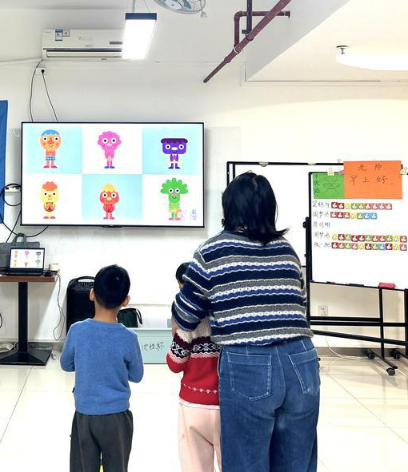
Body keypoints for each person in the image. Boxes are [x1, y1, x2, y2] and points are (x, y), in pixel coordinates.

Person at [172, 172, 319, 472]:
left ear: (228, 208)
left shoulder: (212, 251)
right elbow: (298, 306)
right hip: (302, 360)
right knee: (297, 463)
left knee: (246, 463)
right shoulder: (287, 251)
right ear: (269, 208)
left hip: (248, 361)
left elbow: (184, 314)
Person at [61, 265, 144, 472]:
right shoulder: (129, 338)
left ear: (91, 294)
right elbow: (137, 375)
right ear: (125, 300)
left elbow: (66, 364)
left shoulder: (77, 331)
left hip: (85, 414)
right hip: (117, 416)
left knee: (83, 466)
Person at [167, 262, 222, 472]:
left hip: (193, 403)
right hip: (227, 402)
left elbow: (174, 363)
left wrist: (176, 332)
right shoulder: (224, 316)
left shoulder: (187, 322)